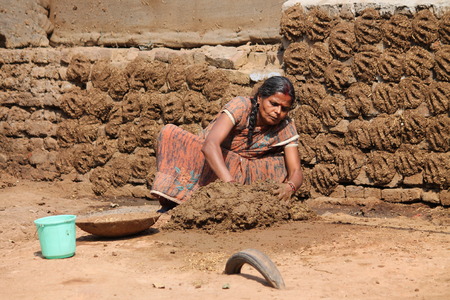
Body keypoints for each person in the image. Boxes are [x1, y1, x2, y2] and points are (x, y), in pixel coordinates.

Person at [150, 75, 303, 211]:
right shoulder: (241, 106)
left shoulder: (285, 126)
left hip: (244, 173)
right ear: (259, 98)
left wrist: (290, 187)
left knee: (280, 163)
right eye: (273, 104)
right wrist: (230, 186)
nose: (278, 111)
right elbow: (210, 145)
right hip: (214, 165)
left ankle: (249, 204)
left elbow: (296, 171)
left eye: (284, 109)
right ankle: (177, 200)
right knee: (170, 133)